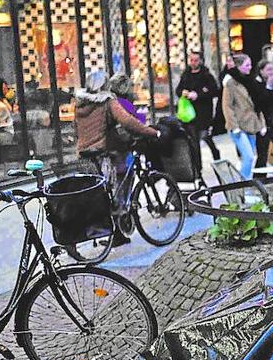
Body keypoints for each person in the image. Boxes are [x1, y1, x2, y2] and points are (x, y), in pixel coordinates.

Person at [75, 69, 160, 239]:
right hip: (102, 154)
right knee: (116, 188)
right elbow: (128, 122)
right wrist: (152, 132)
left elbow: (76, 129)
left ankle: (115, 230)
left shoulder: (79, 104)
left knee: (98, 193)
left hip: (84, 155)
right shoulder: (108, 102)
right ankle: (118, 226)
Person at [221, 53, 265, 179]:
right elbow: (227, 106)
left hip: (251, 124)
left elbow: (257, 104)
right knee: (249, 156)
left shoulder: (250, 80)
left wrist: (262, 124)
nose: (250, 67)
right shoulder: (230, 83)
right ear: (239, 66)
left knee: (250, 157)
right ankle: (243, 184)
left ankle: (245, 181)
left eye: (250, 65)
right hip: (238, 126)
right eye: (247, 65)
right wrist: (233, 126)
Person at [175, 50, 220, 163]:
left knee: (204, 136)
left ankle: (215, 152)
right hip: (189, 113)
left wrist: (198, 95)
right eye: (191, 60)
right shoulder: (186, 75)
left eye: (196, 60)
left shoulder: (206, 75)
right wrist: (183, 93)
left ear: (200, 61)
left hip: (203, 112)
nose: (193, 63)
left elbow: (214, 91)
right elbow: (178, 90)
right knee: (194, 141)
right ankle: (197, 168)